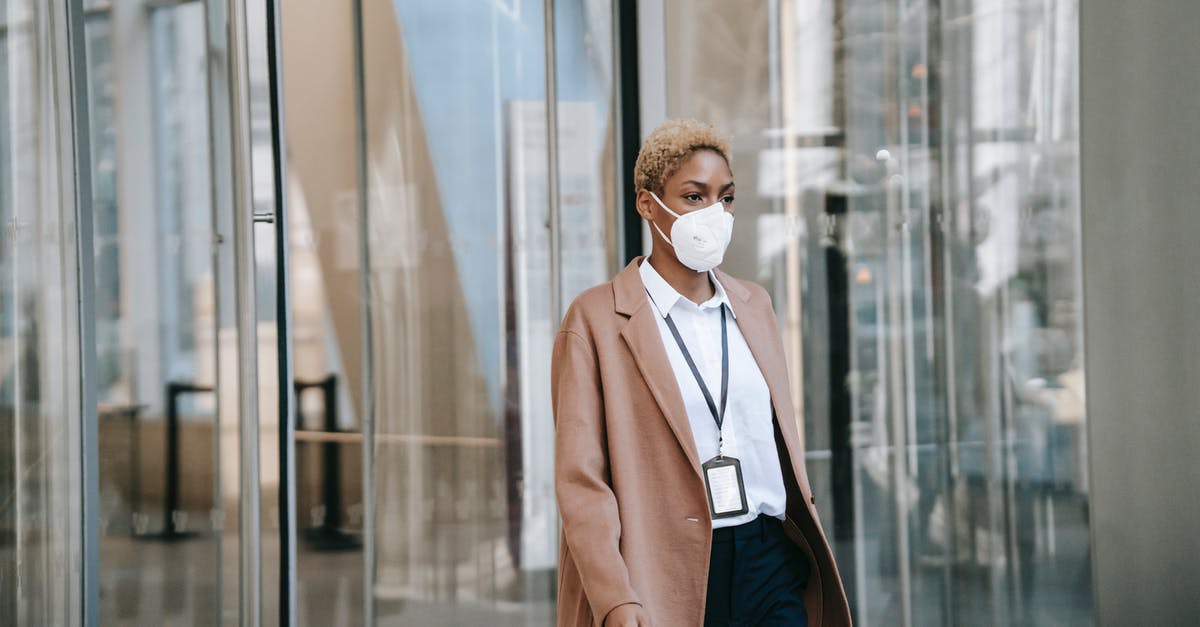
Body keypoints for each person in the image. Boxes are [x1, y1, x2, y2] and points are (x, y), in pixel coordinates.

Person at [552, 119, 851, 626]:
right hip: (666, 565)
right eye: (694, 197)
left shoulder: (754, 304)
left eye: (725, 197)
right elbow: (582, 483)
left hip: (768, 555)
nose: (715, 213)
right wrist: (616, 598)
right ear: (648, 205)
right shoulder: (596, 319)